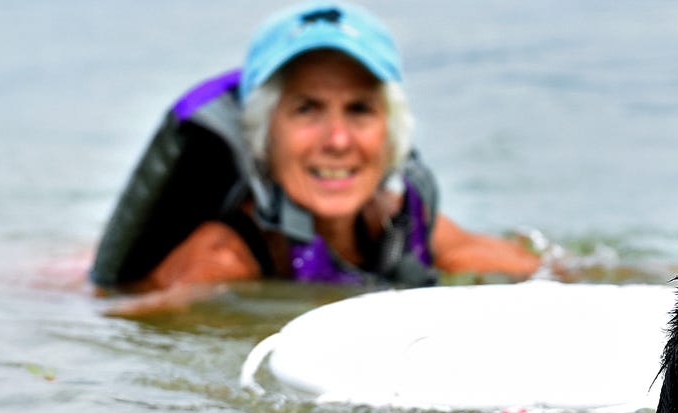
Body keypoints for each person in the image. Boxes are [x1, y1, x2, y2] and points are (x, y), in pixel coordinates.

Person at [91, 2, 542, 315]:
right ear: (264, 135)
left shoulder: (403, 227)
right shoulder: (223, 264)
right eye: (307, 108)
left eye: (360, 109)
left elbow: (547, 273)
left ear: (391, 132)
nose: (339, 140)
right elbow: (122, 323)